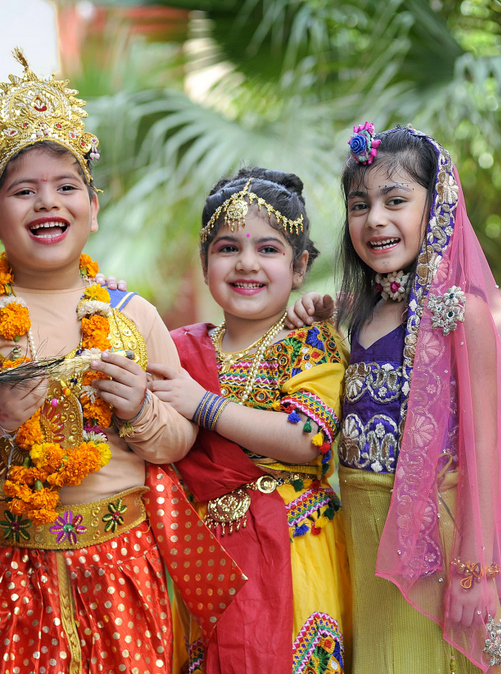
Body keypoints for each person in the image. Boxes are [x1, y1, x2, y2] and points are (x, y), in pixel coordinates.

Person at [0, 51, 244, 674]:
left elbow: (180, 441)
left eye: (66, 186)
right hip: (5, 577)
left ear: (94, 207)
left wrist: (141, 412)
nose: (47, 202)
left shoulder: (135, 318)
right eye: (24, 191)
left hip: (122, 569)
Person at [289, 123, 501, 672]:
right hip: (360, 540)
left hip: (436, 541)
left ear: (437, 208)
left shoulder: (460, 313)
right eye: (359, 204)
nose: (375, 220)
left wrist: (475, 573)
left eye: (396, 200)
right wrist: (311, 315)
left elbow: (482, 450)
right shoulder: (349, 313)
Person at [148, 168, 350, 674]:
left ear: (300, 265)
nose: (246, 263)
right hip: (206, 561)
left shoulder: (312, 342)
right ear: (204, 261)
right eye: (227, 248)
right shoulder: (178, 351)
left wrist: (203, 405)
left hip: (294, 549)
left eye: (268, 249)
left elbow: (307, 439)